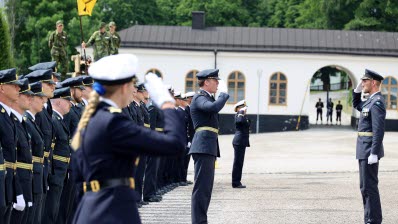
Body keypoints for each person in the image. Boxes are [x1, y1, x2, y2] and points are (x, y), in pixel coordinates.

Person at [70, 54, 185, 224]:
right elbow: (175, 144)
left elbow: (79, 176)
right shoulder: (114, 123)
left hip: (91, 210)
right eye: (132, 85)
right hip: (113, 211)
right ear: (124, 87)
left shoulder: (92, 119)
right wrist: (167, 104)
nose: (133, 90)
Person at [189, 69, 229, 224]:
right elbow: (212, 108)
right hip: (203, 145)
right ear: (206, 82)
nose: (218, 83)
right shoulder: (199, 97)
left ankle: (201, 220)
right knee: (201, 188)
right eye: (215, 80)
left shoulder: (206, 98)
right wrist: (224, 96)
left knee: (206, 188)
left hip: (208, 146)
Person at [353, 69, 386, 224]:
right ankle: (369, 219)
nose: (362, 83)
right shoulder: (369, 101)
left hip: (368, 152)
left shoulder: (377, 102)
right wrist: (356, 91)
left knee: (370, 188)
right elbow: (357, 105)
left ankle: (373, 220)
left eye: (365, 81)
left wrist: (374, 152)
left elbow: (378, 130)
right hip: (363, 150)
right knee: (364, 187)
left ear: (373, 82)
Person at [42, 87, 73, 224]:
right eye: (67, 101)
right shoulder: (54, 120)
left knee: (56, 211)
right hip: (54, 175)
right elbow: (50, 151)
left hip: (60, 173)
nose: (70, 104)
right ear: (59, 102)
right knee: (50, 212)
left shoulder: (58, 120)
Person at [10, 79, 34, 224]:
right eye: (27, 95)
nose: (30, 99)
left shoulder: (21, 123)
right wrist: (18, 191)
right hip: (16, 187)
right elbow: (12, 161)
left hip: (26, 185)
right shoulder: (12, 122)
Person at [0, 68, 23, 224]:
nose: (18, 89)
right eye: (13, 85)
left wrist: (17, 190)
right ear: (2, 87)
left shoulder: (7, 116)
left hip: (8, 184)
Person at [24, 82, 47, 224]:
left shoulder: (32, 122)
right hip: (31, 177)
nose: (44, 101)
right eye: (40, 98)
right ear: (31, 99)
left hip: (39, 176)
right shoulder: (26, 122)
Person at [232, 100, 250, 189]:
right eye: (243, 108)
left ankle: (237, 181)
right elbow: (239, 122)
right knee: (237, 163)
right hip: (238, 141)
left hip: (242, 142)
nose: (245, 109)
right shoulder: (239, 115)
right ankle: (235, 183)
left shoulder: (243, 116)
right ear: (238, 108)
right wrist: (241, 112)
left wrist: (242, 113)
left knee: (240, 163)